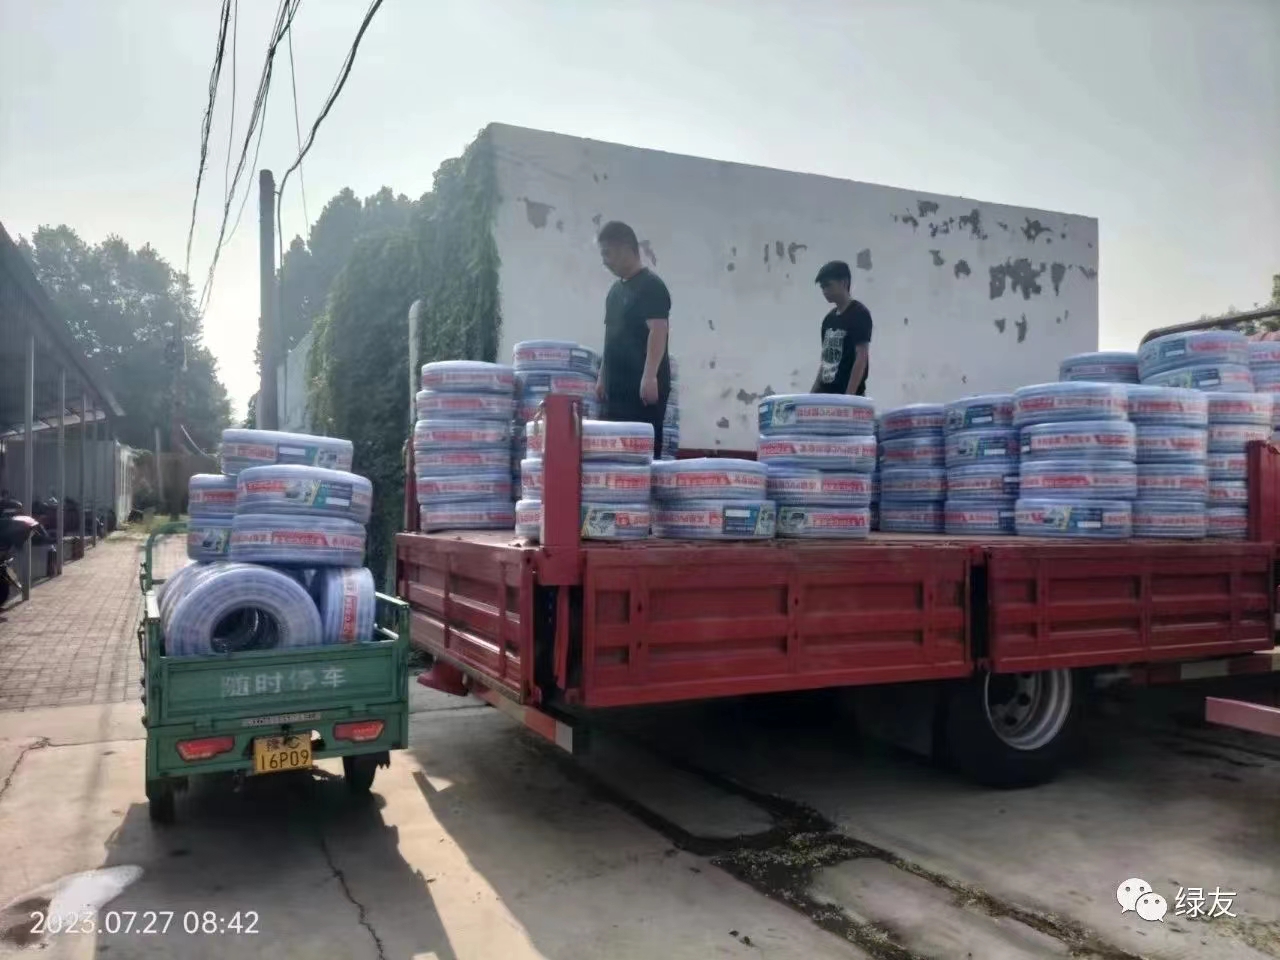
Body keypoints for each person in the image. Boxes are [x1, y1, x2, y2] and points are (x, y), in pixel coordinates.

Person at [595, 220, 671, 456]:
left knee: (641, 453)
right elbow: (610, 336)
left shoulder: (652, 286)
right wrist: (602, 376)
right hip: (616, 388)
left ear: (625, 248)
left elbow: (658, 330)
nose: (604, 261)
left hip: (641, 390)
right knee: (614, 454)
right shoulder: (614, 292)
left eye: (607, 253)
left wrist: (649, 376)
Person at [811, 260, 873, 395]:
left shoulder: (859, 314)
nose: (825, 291)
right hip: (825, 394)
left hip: (846, 395)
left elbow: (861, 356)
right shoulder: (828, 320)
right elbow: (825, 361)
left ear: (843, 282)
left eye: (828, 285)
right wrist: (812, 394)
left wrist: (848, 397)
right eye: (822, 287)